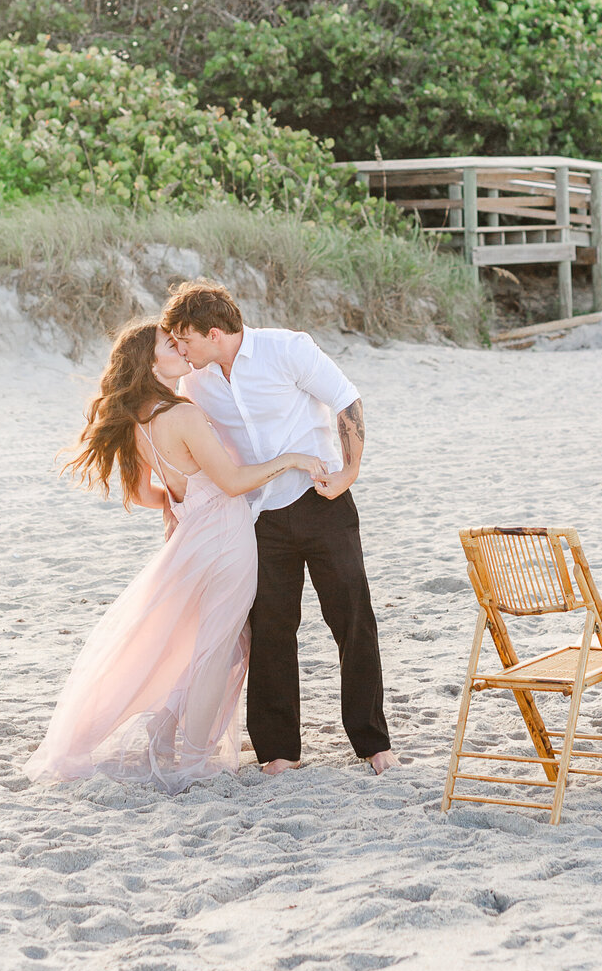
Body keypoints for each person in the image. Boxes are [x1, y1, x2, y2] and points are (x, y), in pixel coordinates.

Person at [24, 319, 326, 793]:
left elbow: (146, 492)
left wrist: (180, 498)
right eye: (171, 345)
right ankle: (195, 758)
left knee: (212, 642)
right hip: (226, 539)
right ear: (150, 361)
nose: (182, 349)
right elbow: (232, 481)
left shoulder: (139, 419)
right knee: (219, 646)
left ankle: (165, 730)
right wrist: (292, 459)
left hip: (192, 539)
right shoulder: (182, 414)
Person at [160, 281, 397, 778]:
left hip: (321, 499)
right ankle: (279, 750)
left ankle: (373, 742)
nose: (182, 350)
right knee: (270, 629)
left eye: (187, 340)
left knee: (352, 618)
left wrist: (349, 472)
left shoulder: (287, 349)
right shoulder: (196, 382)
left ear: (216, 332)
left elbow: (346, 400)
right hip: (257, 515)